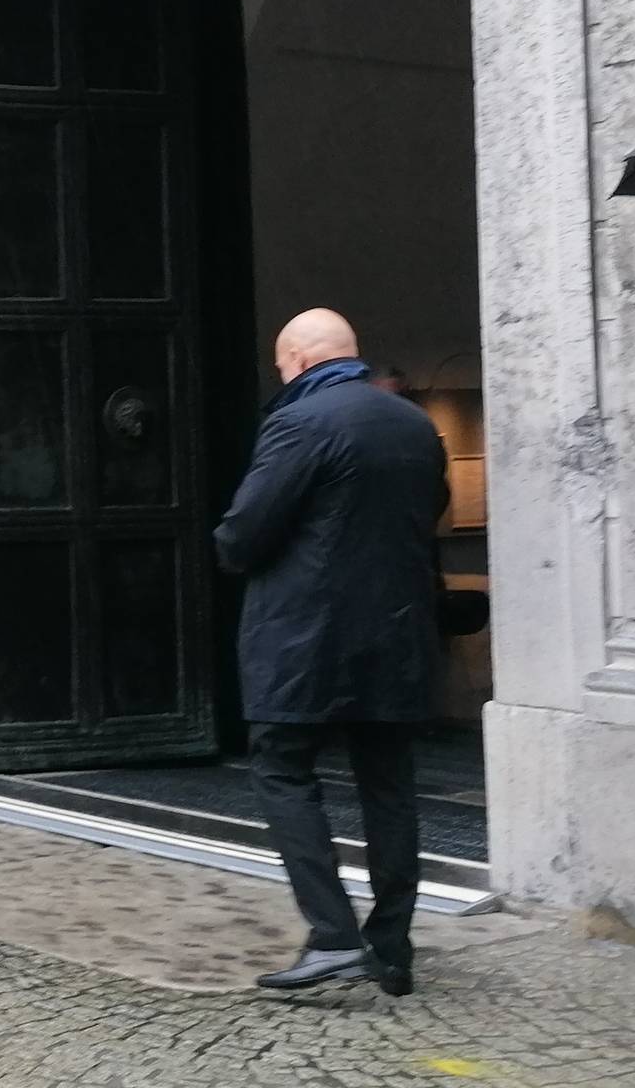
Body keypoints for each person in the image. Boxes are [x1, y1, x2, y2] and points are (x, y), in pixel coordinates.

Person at [212, 309, 445, 996]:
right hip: (397, 633)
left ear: (299, 360)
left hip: (305, 637)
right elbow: (428, 512)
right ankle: (392, 946)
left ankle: (334, 936)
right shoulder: (414, 425)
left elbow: (243, 533)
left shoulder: (300, 421)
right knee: (389, 784)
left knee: (282, 769)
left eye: (281, 365)